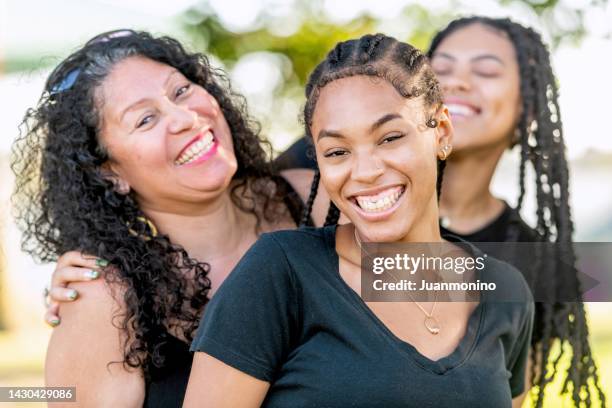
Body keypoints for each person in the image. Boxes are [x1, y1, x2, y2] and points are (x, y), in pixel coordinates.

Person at [185, 33, 534, 407]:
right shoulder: (281, 271)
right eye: (337, 151)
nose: (365, 171)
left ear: (442, 133)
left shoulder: (506, 291)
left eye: (389, 137)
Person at [11, 30, 327, 407]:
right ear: (110, 174)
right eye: (145, 119)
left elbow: (414, 288)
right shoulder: (102, 298)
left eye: (181, 91)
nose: (185, 118)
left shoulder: (313, 198)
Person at [427, 17, 604, 407]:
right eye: (440, 69)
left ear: (529, 111)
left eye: (487, 70)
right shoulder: (344, 197)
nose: (455, 82)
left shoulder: (539, 266)